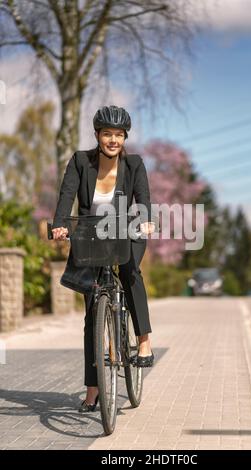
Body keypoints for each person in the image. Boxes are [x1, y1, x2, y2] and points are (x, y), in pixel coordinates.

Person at [52, 105, 155, 412]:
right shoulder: (80, 161)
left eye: (119, 135)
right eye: (107, 134)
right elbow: (67, 194)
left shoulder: (134, 164)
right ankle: (93, 389)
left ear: (125, 138)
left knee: (129, 271)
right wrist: (60, 223)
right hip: (92, 233)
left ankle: (144, 339)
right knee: (91, 312)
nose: (113, 140)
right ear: (97, 135)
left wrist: (146, 220)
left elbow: (144, 199)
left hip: (126, 230)